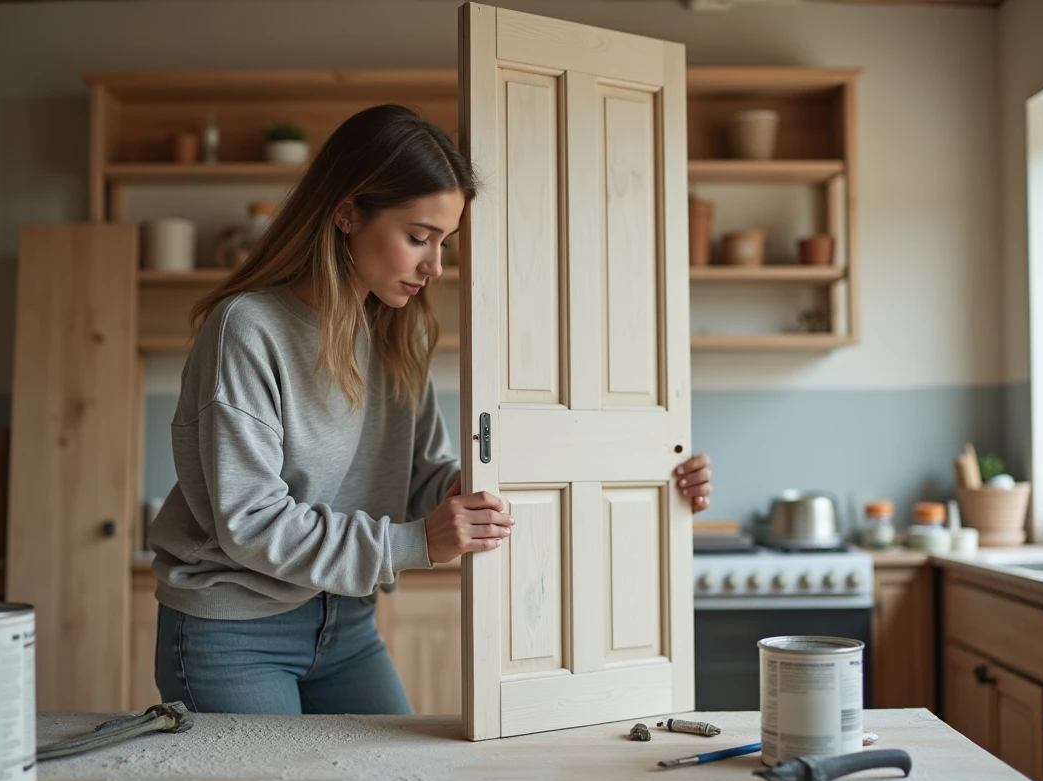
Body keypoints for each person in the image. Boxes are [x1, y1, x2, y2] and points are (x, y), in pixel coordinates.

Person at [147, 104, 713, 716]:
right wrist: (418, 543)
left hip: (348, 622)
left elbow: (421, 476)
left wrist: (649, 472)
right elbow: (253, 522)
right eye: (418, 237)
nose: (436, 266)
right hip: (235, 631)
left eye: (444, 242)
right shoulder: (249, 329)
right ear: (345, 213)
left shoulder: (396, 333)